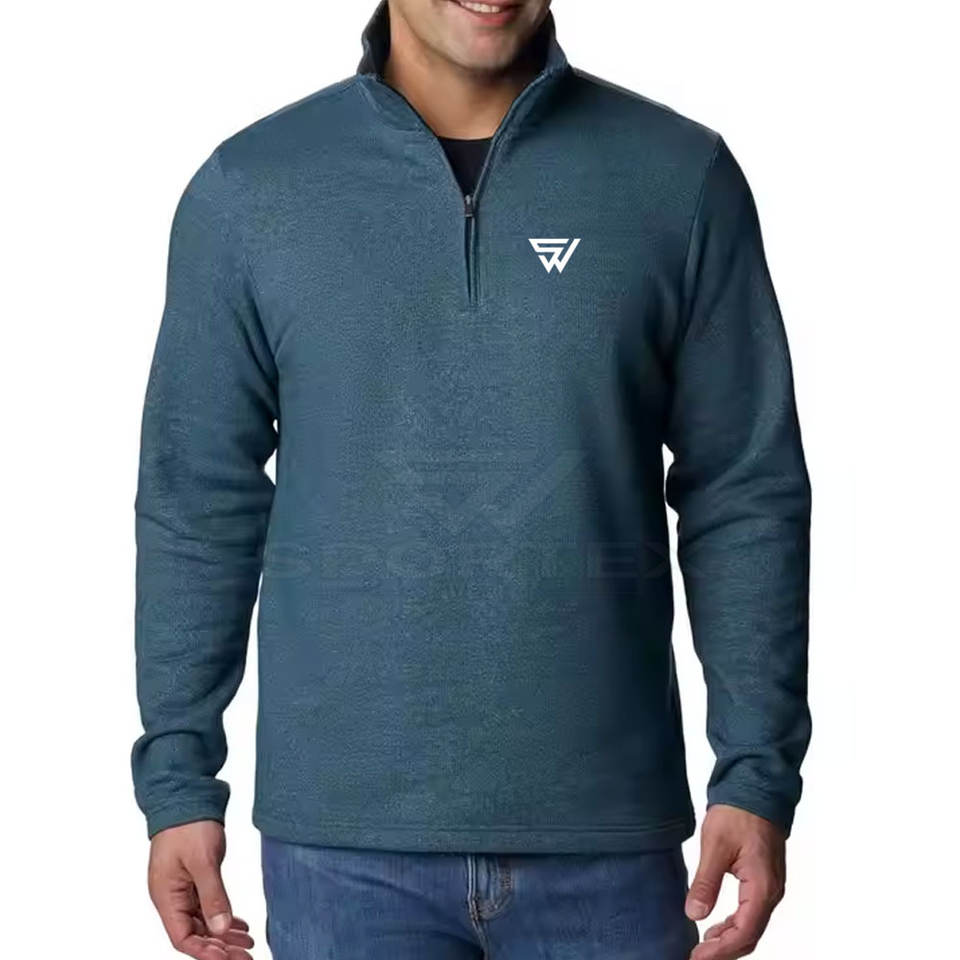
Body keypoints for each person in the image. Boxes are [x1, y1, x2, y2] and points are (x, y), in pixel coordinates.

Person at [132, 1, 812, 958]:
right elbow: (197, 501)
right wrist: (177, 784)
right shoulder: (250, 190)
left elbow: (744, 489)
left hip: (609, 840)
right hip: (343, 851)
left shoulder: (678, 177)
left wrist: (756, 771)